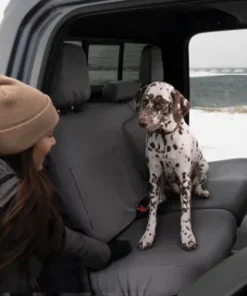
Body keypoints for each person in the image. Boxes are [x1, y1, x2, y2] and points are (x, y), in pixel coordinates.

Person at [0, 75, 132, 293]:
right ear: (22, 144)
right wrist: (105, 254)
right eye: (49, 135)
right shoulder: (15, 202)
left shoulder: (14, 190)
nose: (54, 142)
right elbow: (57, 237)